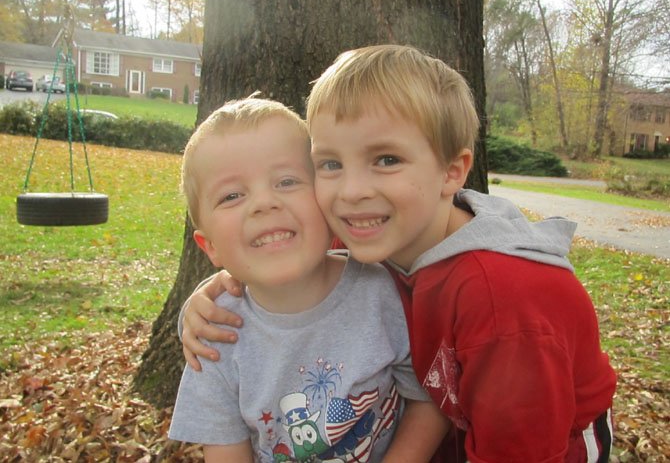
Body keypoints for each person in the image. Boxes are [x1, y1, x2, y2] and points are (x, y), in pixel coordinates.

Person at [180, 46, 617, 462]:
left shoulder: (505, 303)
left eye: (386, 159)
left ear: (452, 171)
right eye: (331, 164)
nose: (352, 192)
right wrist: (215, 292)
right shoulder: (383, 231)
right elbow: (283, 254)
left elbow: (522, 451)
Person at [168, 96, 448, 463]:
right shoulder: (215, 337)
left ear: (325, 197)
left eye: (287, 181)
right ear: (210, 248)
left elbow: (430, 402)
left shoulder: (382, 292)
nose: (264, 203)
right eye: (232, 195)